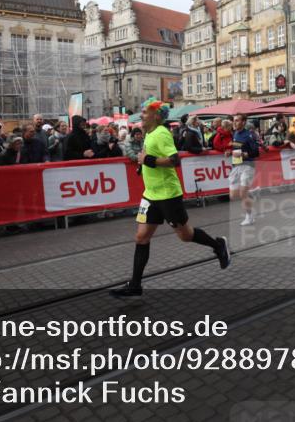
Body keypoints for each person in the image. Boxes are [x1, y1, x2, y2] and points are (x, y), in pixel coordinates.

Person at [111, 99, 230, 299]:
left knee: (185, 235)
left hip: (168, 195)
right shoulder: (149, 134)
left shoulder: (162, 133)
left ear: (156, 115)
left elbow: (174, 160)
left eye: (145, 112)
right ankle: (135, 285)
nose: (141, 115)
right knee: (141, 237)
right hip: (150, 195)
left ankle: (218, 245)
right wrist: (143, 165)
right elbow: (150, 157)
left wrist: (147, 160)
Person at [228, 113, 261, 226]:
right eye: (234, 120)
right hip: (236, 166)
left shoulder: (249, 135)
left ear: (243, 122)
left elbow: (256, 152)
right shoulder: (235, 133)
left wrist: (243, 154)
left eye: (237, 120)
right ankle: (251, 194)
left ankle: (249, 216)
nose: (235, 122)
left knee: (242, 194)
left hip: (247, 165)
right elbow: (235, 148)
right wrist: (229, 152)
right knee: (233, 195)